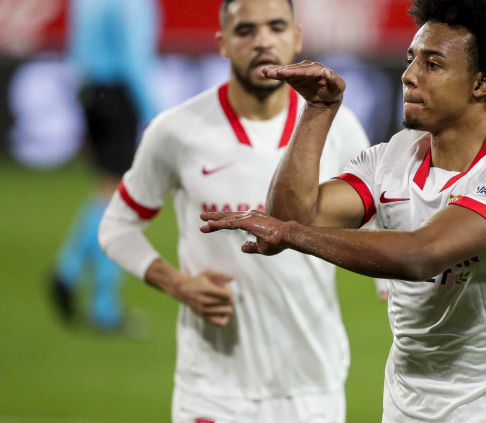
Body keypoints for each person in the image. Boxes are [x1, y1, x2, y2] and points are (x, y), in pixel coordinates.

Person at [200, 0, 486, 421]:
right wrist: (317, 111)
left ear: (481, 83)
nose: (408, 75)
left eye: (432, 64)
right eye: (411, 59)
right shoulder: (393, 157)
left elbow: (420, 254)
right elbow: (291, 215)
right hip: (408, 410)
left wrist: (291, 236)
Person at [98, 0, 377, 421]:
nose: (263, 40)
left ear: (297, 38)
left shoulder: (339, 128)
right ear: (223, 43)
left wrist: (395, 290)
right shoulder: (176, 131)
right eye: (246, 30)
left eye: (276, 27)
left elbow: (379, 224)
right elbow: (117, 227)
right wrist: (178, 284)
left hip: (312, 388)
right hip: (212, 390)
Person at [50, 0, 160, 331]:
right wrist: (155, 115)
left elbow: (76, 47)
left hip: (91, 92)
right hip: (118, 95)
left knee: (106, 191)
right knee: (119, 199)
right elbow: (134, 58)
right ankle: (96, 298)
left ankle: (71, 276)